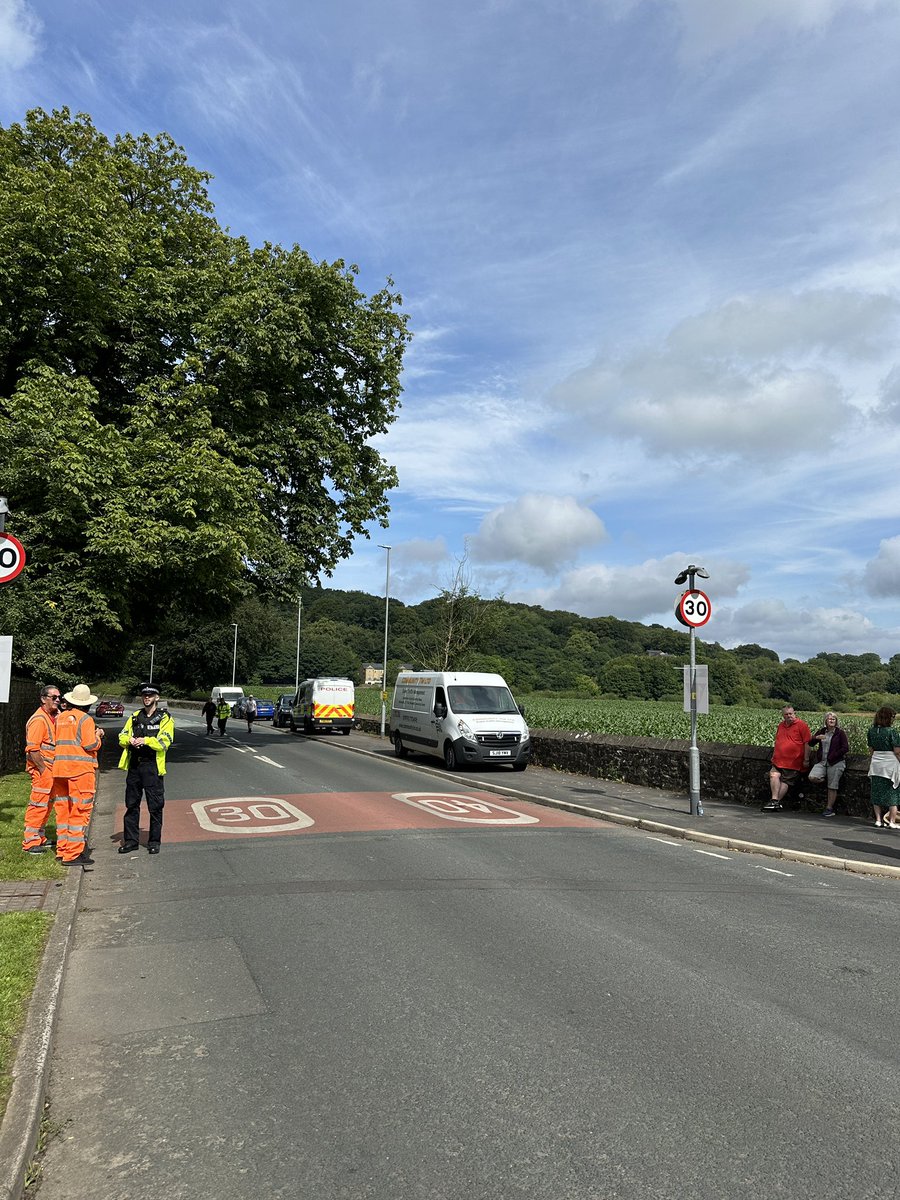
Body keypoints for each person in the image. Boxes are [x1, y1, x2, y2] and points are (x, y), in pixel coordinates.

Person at [118, 683, 174, 855]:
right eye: (144, 695)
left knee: (155, 806)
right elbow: (122, 735)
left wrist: (145, 740)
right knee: (131, 804)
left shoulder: (165, 718)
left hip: (152, 766)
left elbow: (165, 741)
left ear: (157, 698)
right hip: (135, 765)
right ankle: (131, 841)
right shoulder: (135, 717)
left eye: (150, 695)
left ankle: (154, 841)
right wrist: (129, 740)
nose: (147, 698)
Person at [51, 683, 104, 865]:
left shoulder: (60, 717)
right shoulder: (85, 719)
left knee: (63, 811)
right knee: (79, 812)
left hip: (59, 770)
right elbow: (89, 745)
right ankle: (73, 854)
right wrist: (98, 737)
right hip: (79, 772)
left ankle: (62, 849)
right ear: (88, 704)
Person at [21, 683, 63, 853]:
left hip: (49, 770)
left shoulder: (51, 716)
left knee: (46, 805)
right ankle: (30, 842)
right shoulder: (39, 720)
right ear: (43, 699)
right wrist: (43, 771)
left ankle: (39, 837)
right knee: (38, 805)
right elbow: (33, 750)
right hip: (42, 771)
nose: (58, 700)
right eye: (54, 698)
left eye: (59, 697)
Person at [763, 705, 811, 811]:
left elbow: (807, 743)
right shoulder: (781, 725)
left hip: (793, 761)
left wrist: (806, 759)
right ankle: (774, 801)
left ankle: (775, 802)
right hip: (778, 759)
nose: (789, 716)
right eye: (786, 714)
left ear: (794, 713)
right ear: (783, 715)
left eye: (791, 713)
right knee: (773, 775)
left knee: (786, 781)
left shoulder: (802, 725)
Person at [808, 712, 850, 817]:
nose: (831, 721)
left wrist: (833, 756)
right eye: (829, 719)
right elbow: (810, 743)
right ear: (825, 720)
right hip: (822, 762)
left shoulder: (840, 733)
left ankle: (829, 808)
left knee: (832, 786)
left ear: (836, 721)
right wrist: (816, 738)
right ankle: (825, 780)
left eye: (833, 719)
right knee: (812, 777)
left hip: (835, 762)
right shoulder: (822, 731)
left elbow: (845, 748)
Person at [866, 705, 900, 828]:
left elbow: (871, 749)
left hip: (876, 764)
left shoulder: (871, 730)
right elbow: (897, 751)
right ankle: (891, 821)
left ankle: (878, 820)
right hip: (890, 764)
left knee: (876, 792)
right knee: (893, 793)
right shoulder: (892, 731)